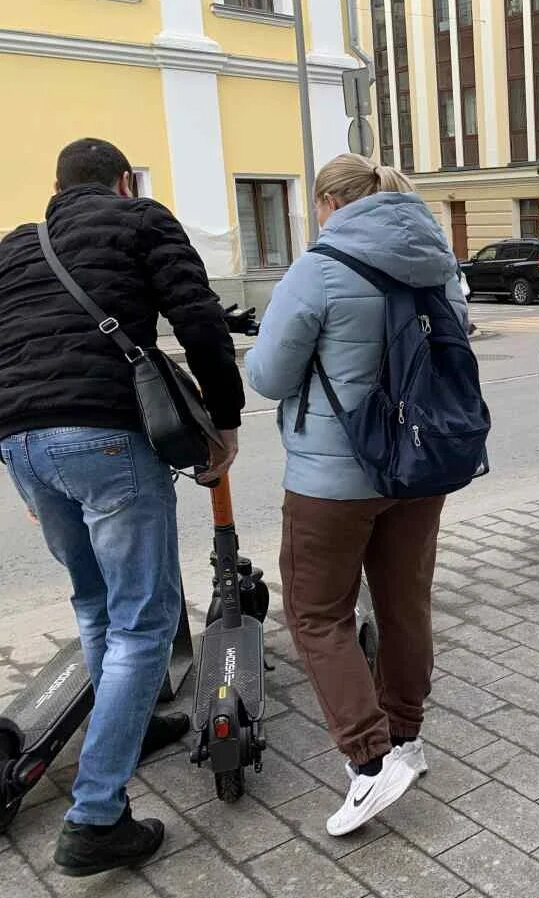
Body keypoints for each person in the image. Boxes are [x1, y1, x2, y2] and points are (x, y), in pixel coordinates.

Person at [0, 139, 242, 875]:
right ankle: (96, 814)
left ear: (54, 186)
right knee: (142, 618)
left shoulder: (12, 247)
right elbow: (198, 318)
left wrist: (21, 467)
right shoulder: (141, 219)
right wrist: (224, 421)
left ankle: (124, 727)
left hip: (24, 441)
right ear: (123, 180)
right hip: (105, 433)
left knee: (96, 606)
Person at [245, 154, 468, 836]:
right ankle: (406, 738)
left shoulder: (319, 268)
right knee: (405, 604)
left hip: (332, 478)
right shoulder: (438, 262)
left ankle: (369, 763)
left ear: (330, 201)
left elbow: (268, 375)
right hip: (420, 465)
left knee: (317, 613)